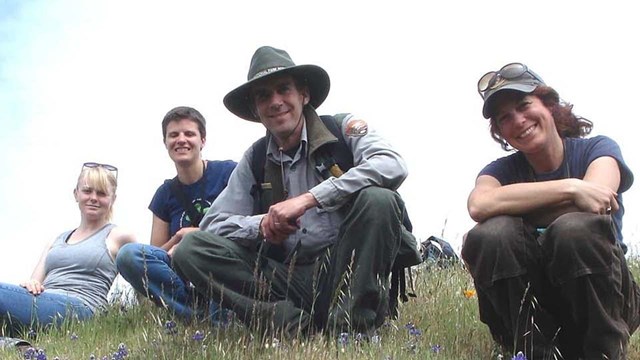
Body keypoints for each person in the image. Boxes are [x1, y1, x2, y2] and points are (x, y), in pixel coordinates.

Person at [172, 46, 420, 338]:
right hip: (285, 277)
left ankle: (349, 329)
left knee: (380, 199)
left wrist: (309, 199)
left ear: (304, 94)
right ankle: (287, 324)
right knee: (190, 249)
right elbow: (212, 225)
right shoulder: (255, 158)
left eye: (283, 89)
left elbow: (392, 165)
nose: (275, 102)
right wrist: (261, 225)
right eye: (264, 95)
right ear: (255, 109)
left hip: (345, 269)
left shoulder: (342, 129)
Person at [461, 63, 640, 359]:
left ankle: (604, 353)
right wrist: (572, 189)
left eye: (524, 105)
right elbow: (480, 205)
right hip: (535, 304)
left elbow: (597, 202)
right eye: (505, 118)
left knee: (574, 229)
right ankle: (533, 351)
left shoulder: (598, 150)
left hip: (604, 299)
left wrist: (516, 210)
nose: (518, 120)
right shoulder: (498, 171)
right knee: (491, 234)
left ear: (550, 106)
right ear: (501, 133)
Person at [116, 106, 236, 322]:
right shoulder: (164, 194)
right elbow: (157, 252)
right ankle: (193, 314)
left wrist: (197, 236)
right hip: (183, 269)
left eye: (189, 134)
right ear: (165, 143)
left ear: (203, 140)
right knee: (128, 255)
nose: (181, 140)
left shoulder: (228, 173)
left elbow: (244, 224)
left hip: (221, 261)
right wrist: (178, 238)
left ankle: (218, 317)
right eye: (174, 135)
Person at [0, 162, 135, 335]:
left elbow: (142, 282)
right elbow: (34, 282)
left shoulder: (119, 236)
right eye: (87, 191)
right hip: (44, 301)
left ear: (112, 199)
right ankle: (15, 344)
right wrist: (32, 284)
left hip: (82, 306)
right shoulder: (57, 240)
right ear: (76, 194)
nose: (94, 197)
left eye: (101, 193)